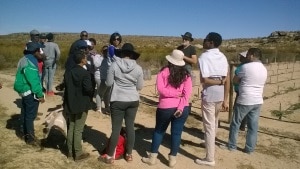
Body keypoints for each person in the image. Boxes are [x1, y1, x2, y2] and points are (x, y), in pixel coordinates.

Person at [141, 49, 192, 168]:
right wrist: (179, 104)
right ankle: (172, 159)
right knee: (177, 133)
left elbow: (161, 89)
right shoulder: (186, 75)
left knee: (159, 131)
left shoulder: (163, 72)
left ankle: (152, 157)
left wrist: (172, 95)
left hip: (165, 106)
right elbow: (186, 94)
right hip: (182, 107)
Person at [98, 43, 144, 164]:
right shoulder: (138, 68)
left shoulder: (114, 65)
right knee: (130, 127)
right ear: (132, 54)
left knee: (116, 129)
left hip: (117, 99)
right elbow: (139, 86)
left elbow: (108, 83)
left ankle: (109, 156)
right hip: (133, 100)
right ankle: (129, 154)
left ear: (122, 53)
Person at [195, 32, 230, 167]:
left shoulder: (204, 57)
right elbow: (227, 80)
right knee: (214, 121)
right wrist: (226, 99)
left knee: (209, 125)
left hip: (209, 94)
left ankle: (210, 158)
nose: (203, 41)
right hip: (220, 94)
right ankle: (209, 143)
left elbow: (204, 80)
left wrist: (219, 82)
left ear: (211, 43)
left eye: (206, 40)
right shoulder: (222, 56)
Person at [227, 48, 267, 154]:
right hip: (258, 100)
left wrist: (241, 81)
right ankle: (249, 149)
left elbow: (234, 80)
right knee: (253, 126)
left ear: (253, 55)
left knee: (235, 123)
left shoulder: (245, 67)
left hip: (245, 99)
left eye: (248, 54)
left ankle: (232, 146)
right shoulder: (264, 68)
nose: (247, 56)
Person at [13, 42, 45, 146]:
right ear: (35, 51)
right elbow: (34, 80)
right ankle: (30, 138)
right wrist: (40, 94)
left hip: (23, 91)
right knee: (30, 115)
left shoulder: (23, 59)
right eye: (40, 50)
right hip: (29, 91)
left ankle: (23, 132)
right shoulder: (31, 62)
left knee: (25, 112)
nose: (41, 52)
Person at [63, 50, 93, 161]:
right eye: (85, 57)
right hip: (82, 104)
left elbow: (65, 87)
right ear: (82, 60)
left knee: (71, 127)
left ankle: (70, 152)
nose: (86, 59)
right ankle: (78, 153)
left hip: (70, 104)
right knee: (78, 129)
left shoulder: (68, 72)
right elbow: (88, 89)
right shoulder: (85, 74)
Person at [99, 32, 122, 114]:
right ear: (111, 40)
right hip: (111, 72)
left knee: (110, 91)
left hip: (116, 72)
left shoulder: (117, 49)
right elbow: (114, 58)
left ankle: (108, 107)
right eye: (114, 39)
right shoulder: (111, 48)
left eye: (118, 39)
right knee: (111, 91)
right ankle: (110, 108)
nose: (116, 41)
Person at [234, 51, 248, 131]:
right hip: (239, 90)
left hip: (241, 90)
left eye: (242, 56)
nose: (240, 57)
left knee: (238, 108)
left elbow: (238, 78)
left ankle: (240, 125)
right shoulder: (241, 65)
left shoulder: (245, 67)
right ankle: (242, 125)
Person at [94, 45, 107, 113]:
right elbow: (96, 64)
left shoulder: (110, 58)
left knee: (107, 93)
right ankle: (99, 107)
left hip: (107, 77)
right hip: (99, 76)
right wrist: (103, 59)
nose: (105, 52)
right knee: (100, 92)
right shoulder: (97, 57)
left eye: (107, 51)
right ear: (102, 51)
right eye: (104, 51)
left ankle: (107, 107)